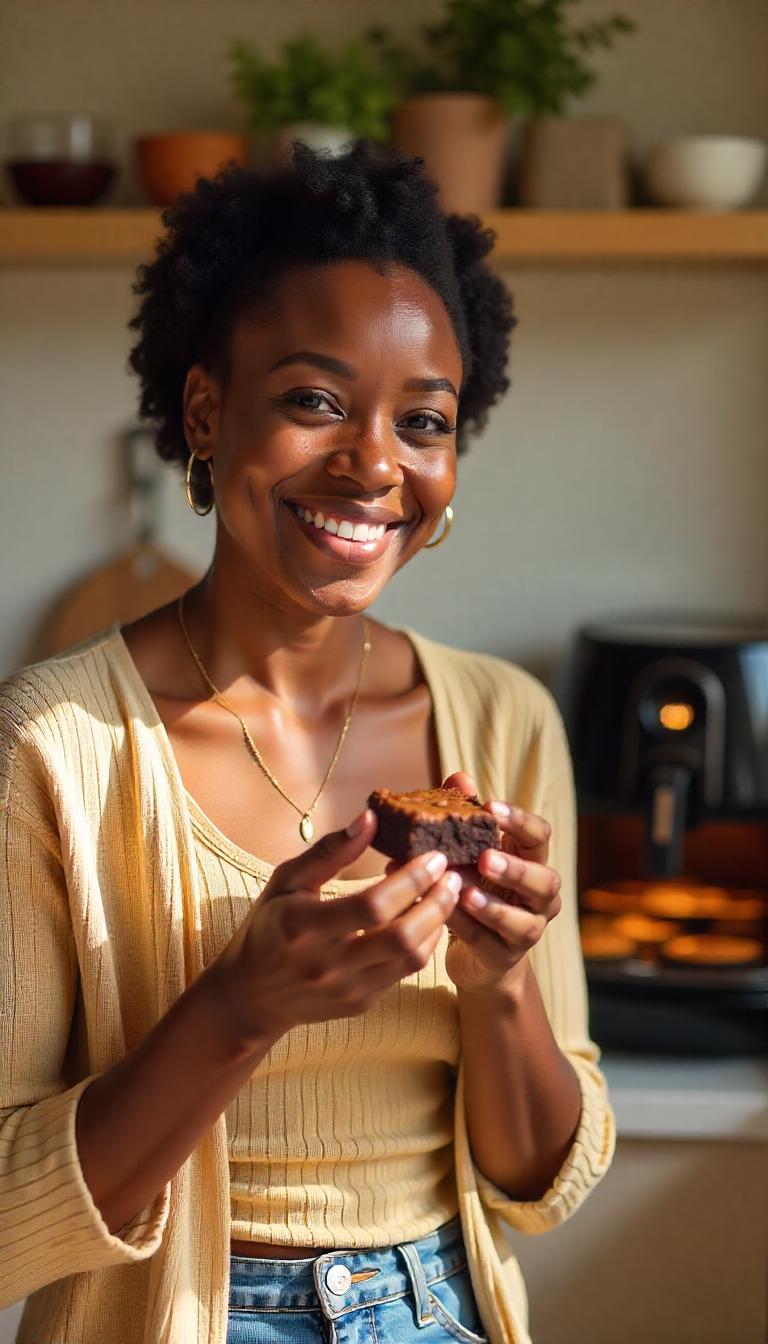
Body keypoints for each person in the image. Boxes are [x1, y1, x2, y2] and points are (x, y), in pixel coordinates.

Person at [0, 141, 614, 1344]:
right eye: (314, 399)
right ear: (206, 412)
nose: (375, 464)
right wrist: (237, 1005)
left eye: (422, 420)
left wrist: (499, 985)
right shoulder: (51, 746)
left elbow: (540, 1184)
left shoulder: (503, 722)